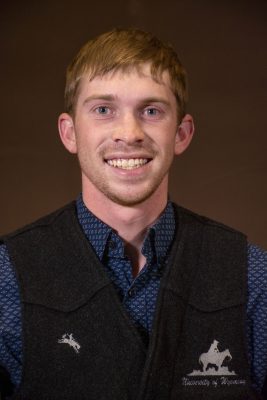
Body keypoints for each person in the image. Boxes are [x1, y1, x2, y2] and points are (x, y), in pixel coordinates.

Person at [0, 28, 266, 400]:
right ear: (70, 132)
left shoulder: (251, 276)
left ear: (182, 134)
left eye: (152, 110)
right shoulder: (7, 276)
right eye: (103, 110)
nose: (130, 132)